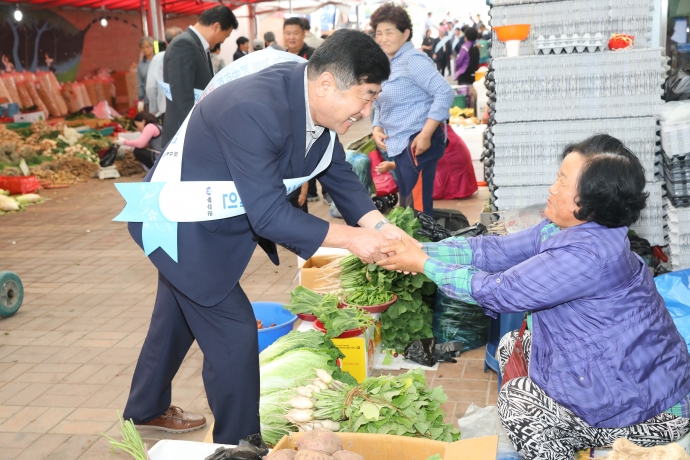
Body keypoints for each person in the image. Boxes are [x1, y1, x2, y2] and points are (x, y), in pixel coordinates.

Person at [122, 28, 416, 445]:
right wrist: (353, 240)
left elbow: (338, 175)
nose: (367, 111)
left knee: (174, 318)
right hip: (177, 225)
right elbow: (269, 215)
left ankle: (145, 409)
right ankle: (241, 445)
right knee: (235, 334)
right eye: (366, 96)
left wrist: (385, 230)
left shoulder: (312, 101)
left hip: (208, 223)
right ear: (328, 83)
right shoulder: (254, 109)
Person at [377, 134, 690, 460]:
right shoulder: (565, 229)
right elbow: (494, 251)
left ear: (591, 200)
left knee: (518, 399)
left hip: (649, 410)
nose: (552, 189)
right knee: (513, 344)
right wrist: (419, 249)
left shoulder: (588, 256)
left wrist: (423, 264)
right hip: (620, 374)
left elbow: (499, 291)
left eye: (563, 182)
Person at [370, 4, 453, 214]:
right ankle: (412, 244)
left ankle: (423, 246)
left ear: (405, 33)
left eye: (389, 32)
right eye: (379, 33)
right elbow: (382, 98)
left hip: (418, 142)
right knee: (407, 207)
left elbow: (444, 92)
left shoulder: (412, 60)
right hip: (400, 144)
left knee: (418, 208)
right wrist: (376, 126)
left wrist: (426, 134)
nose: (383, 38)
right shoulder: (387, 64)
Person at [160, 5, 238, 146]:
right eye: (225, 36)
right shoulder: (184, 44)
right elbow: (183, 99)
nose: (223, 41)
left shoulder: (199, 46)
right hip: (184, 137)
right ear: (216, 26)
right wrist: (196, 136)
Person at [146, 27, 183, 123]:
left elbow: (150, 87)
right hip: (186, 110)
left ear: (166, 42)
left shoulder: (158, 58)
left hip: (165, 110)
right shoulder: (188, 56)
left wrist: (153, 109)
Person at [137, 37, 155, 109]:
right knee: (151, 120)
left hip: (162, 99)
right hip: (148, 100)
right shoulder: (140, 66)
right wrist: (140, 99)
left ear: (152, 47)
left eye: (147, 47)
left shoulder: (159, 60)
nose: (145, 49)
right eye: (143, 48)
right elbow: (140, 84)